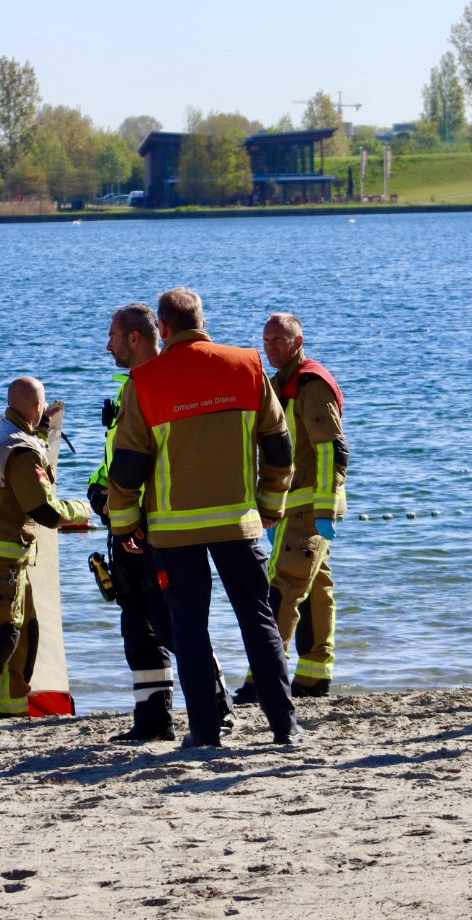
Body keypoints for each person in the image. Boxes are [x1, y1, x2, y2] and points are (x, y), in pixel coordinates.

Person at [107, 286, 303, 748]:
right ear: (202, 321)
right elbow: (279, 448)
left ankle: (205, 732)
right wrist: (270, 505)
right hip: (239, 523)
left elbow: (127, 467)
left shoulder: (144, 382)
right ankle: (285, 726)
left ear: (163, 328)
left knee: (189, 630)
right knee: (258, 621)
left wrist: (124, 523)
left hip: (173, 533)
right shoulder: (248, 366)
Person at [88, 304, 232, 742]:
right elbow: (115, 461)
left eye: (113, 335)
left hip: (159, 529)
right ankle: (153, 720)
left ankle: (217, 707)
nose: (107, 345)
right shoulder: (129, 389)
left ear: (135, 338)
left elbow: (176, 460)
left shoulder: (164, 385)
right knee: (137, 628)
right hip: (125, 529)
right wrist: (98, 493)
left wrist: (138, 513)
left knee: (174, 626)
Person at [0, 377, 90, 723]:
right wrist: (82, 510)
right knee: (2, 632)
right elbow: (45, 511)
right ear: (36, 406)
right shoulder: (22, 450)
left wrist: (41, 433)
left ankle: (13, 711)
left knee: (25, 633)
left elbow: (15, 473)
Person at [235, 312, 348, 702]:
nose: (271, 348)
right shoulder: (279, 384)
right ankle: (313, 676)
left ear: (298, 342)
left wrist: (326, 508)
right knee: (316, 588)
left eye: (279, 340)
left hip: (309, 507)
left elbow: (331, 449)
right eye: (266, 341)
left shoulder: (310, 384)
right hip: (290, 508)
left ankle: (263, 678)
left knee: (281, 590)